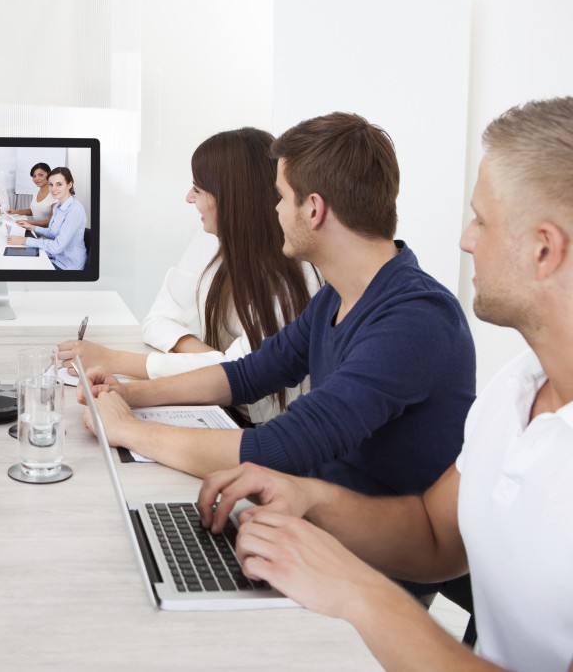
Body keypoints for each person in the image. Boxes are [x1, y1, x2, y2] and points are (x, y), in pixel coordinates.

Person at [198, 97, 573, 672]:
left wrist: (358, 591)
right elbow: (432, 536)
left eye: (482, 219)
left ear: (544, 249)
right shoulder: (517, 389)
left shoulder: (419, 315)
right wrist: (311, 501)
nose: (466, 240)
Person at [78, 112, 475, 498]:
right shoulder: (338, 295)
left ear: (314, 210)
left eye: (282, 197)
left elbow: (280, 448)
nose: (275, 210)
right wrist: (131, 396)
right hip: (317, 519)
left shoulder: (415, 319)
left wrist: (128, 431)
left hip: (372, 554)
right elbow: (249, 375)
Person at [58, 129, 321, 425]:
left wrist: (114, 360)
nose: (188, 197)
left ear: (233, 198)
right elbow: (157, 320)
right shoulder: (213, 236)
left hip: (263, 425)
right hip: (220, 406)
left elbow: (242, 374)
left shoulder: (294, 279)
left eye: (198, 188)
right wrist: (212, 358)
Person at [8, 167, 88, 270]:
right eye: (51, 184)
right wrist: (31, 227)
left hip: (68, 265)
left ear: (69, 184)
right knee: (18, 260)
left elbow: (57, 246)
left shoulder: (74, 210)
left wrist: (25, 240)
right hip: (55, 257)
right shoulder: (58, 206)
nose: (53, 189)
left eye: (59, 184)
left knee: (23, 269)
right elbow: (52, 232)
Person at [7, 162, 55, 227]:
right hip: (35, 229)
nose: (36, 179)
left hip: (46, 233)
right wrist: (16, 211)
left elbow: (52, 221)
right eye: (34, 176)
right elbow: (35, 211)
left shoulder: (55, 194)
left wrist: (30, 223)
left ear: (49, 175)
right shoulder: (36, 191)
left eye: (41, 175)